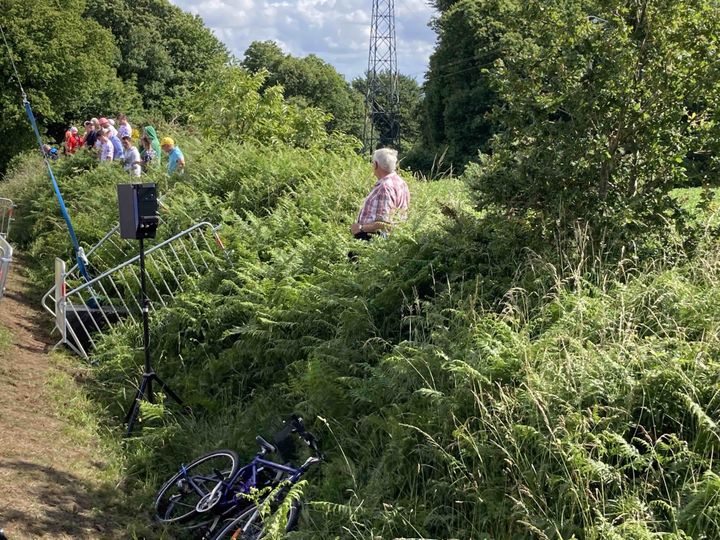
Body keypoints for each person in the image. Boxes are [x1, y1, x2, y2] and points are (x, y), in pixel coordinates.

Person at [351, 148, 410, 241]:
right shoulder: (401, 183)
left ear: (376, 165)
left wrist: (360, 228)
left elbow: (384, 223)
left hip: (374, 239)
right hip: (394, 237)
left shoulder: (384, 187)